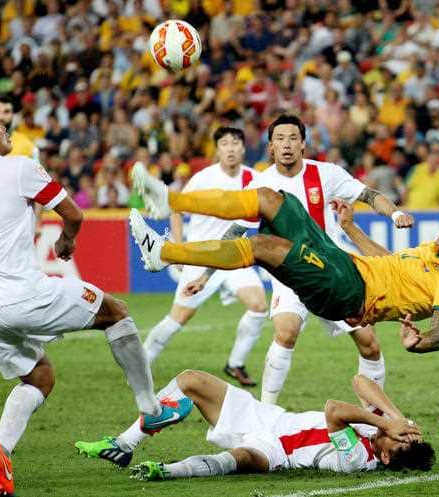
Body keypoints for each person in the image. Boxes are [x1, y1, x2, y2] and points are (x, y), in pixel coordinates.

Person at [0, 97, 190, 496]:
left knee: (39, 376)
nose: (6, 128)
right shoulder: (18, 168)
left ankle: (0, 450)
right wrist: (67, 243)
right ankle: (152, 410)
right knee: (117, 312)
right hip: (25, 295)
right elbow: (73, 212)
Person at [127, 157, 439, 355]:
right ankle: (168, 200)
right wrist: (351, 228)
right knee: (272, 198)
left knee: (263, 247)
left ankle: (165, 252)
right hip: (345, 264)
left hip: (350, 292)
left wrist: (422, 341)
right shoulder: (432, 251)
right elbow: (388, 262)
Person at [171, 115, 414, 404]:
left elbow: (368, 194)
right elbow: (236, 232)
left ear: (303, 145)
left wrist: (396, 214)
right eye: (280, 139)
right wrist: (205, 275)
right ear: (271, 147)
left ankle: (373, 419)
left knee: (369, 345)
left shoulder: (326, 174)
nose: (287, 145)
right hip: (291, 276)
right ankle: (265, 413)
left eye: (293, 138)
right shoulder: (261, 185)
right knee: (285, 333)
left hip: (335, 273)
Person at [75, 371, 434, 476]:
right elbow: (360, 381)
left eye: (401, 442)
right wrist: (396, 417)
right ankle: (124, 444)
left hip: (276, 451)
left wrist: (382, 421)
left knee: (240, 460)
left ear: (386, 458)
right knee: (190, 380)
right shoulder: (385, 433)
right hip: (266, 417)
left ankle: (167, 471)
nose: (400, 436)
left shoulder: (358, 458)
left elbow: (334, 409)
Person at [141, 127, 268, 386]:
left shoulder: (254, 179)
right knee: (178, 318)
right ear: (217, 150)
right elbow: (176, 209)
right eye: (225, 143)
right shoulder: (203, 178)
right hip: (202, 257)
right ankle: (141, 363)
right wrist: (178, 247)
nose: (230, 148)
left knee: (258, 306)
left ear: (243, 148)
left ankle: (235, 364)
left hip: (235, 257)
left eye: (235, 143)